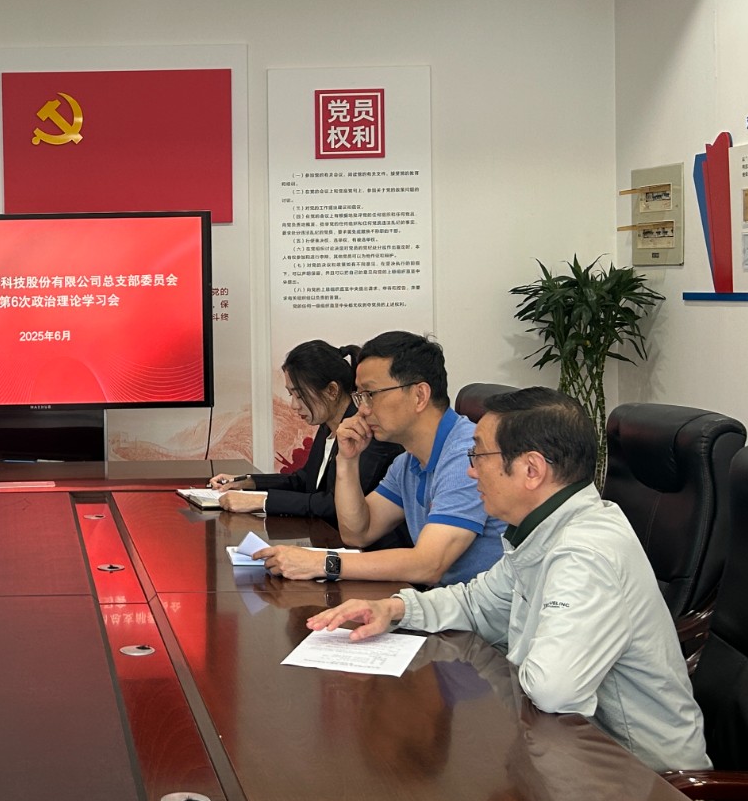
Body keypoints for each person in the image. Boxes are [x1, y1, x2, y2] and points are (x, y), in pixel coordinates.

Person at [305, 387, 709, 774]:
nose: (470, 470)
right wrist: (393, 608)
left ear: (531, 470)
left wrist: (508, 648)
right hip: (574, 758)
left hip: (650, 787)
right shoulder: (542, 529)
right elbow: (475, 603)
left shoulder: (585, 553)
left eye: (478, 455)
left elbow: (552, 689)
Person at [256, 330, 506, 585]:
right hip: (438, 601)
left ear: (419, 395)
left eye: (371, 395)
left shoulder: (467, 456)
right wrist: (347, 461)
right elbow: (358, 533)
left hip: (477, 610)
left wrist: (321, 562)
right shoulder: (408, 461)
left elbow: (428, 565)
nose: (363, 410)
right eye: (360, 397)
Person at [207, 340, 401, 521]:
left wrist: (262, 501)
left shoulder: (366, 434)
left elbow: (337, 505)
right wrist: (248, 482)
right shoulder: (327, 427)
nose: (294, 405)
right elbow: (304, 480)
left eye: (300, 396)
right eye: (291, 395)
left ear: (332, 390)